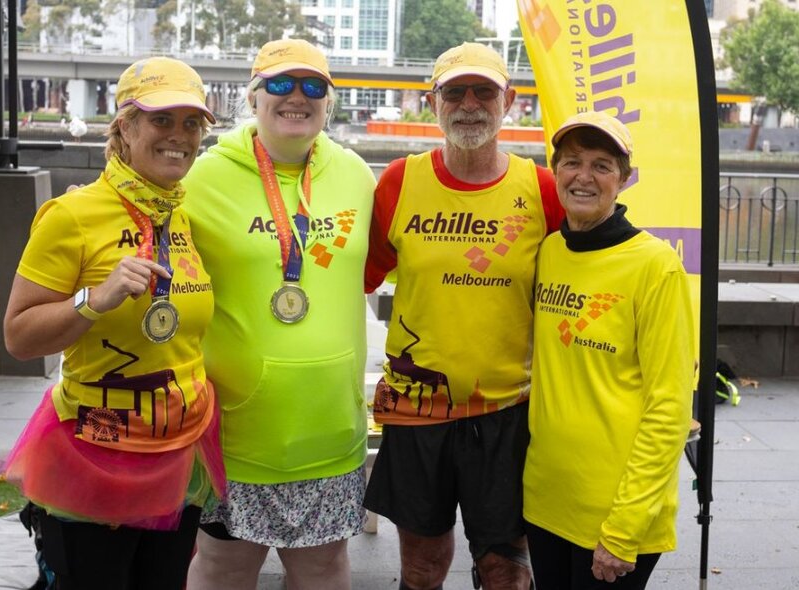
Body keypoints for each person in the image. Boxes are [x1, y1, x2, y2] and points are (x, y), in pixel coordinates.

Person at [1, 57, 225, 590]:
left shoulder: (182, 214)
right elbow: (18, 337)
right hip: (95, 452)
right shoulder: (72, 215)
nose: (179, 136)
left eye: (191, 123)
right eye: (161, 120)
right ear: (124, 126)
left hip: (179, 448)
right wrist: (93, 300)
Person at [363, 42, 564, 590]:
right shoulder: (399, 183)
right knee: (422, 568)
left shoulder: (542, 189)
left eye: (484, 91)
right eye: (454, 91)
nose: (469, 104)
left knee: (506, 572)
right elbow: (354, 280)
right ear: (434, 102)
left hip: (508, 410)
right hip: (417, 408)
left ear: (510, 100)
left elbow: (582, 283)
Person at [182, 39, 376, 590]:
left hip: (329, 430)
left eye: (313, 86)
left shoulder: (356, 176)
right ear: (253, 95)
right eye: (281, 85)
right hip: (238, 433)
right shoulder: (204, 176)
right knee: (223, 568)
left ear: (330, 101)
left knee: (322, 571)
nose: (297, 97)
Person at [522, 111, 694, 588]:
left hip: (615, 514)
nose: (584, 176)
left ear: (623, 179)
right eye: (572, 162)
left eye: (601, 165)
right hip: (547, 501)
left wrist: (624, 527)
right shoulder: (550, 251)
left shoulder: (655, 266)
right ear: (554, 171)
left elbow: (670, 407)